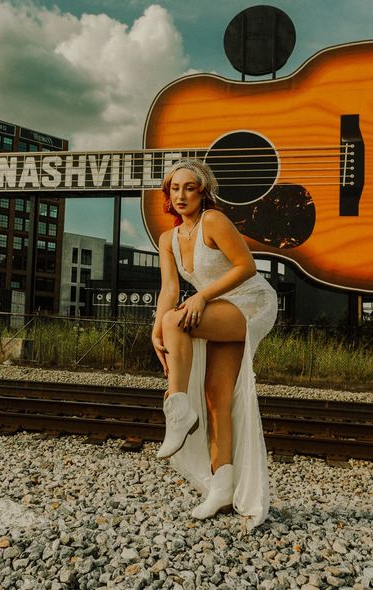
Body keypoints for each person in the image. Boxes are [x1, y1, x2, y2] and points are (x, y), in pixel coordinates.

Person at [151, 159, 278, 530]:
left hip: (250, 302)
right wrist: (156, 330)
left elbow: (246, 267)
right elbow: (170, 290)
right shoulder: (167, 240)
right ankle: (222, 488)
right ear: (167, 194)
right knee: (216, 397)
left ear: (202, 191)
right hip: (218, 308)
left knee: (178, 318)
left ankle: (177, 411)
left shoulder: (214, 221)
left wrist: (202, 297)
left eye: (189, 188)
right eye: (174, 189)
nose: (180, 195)